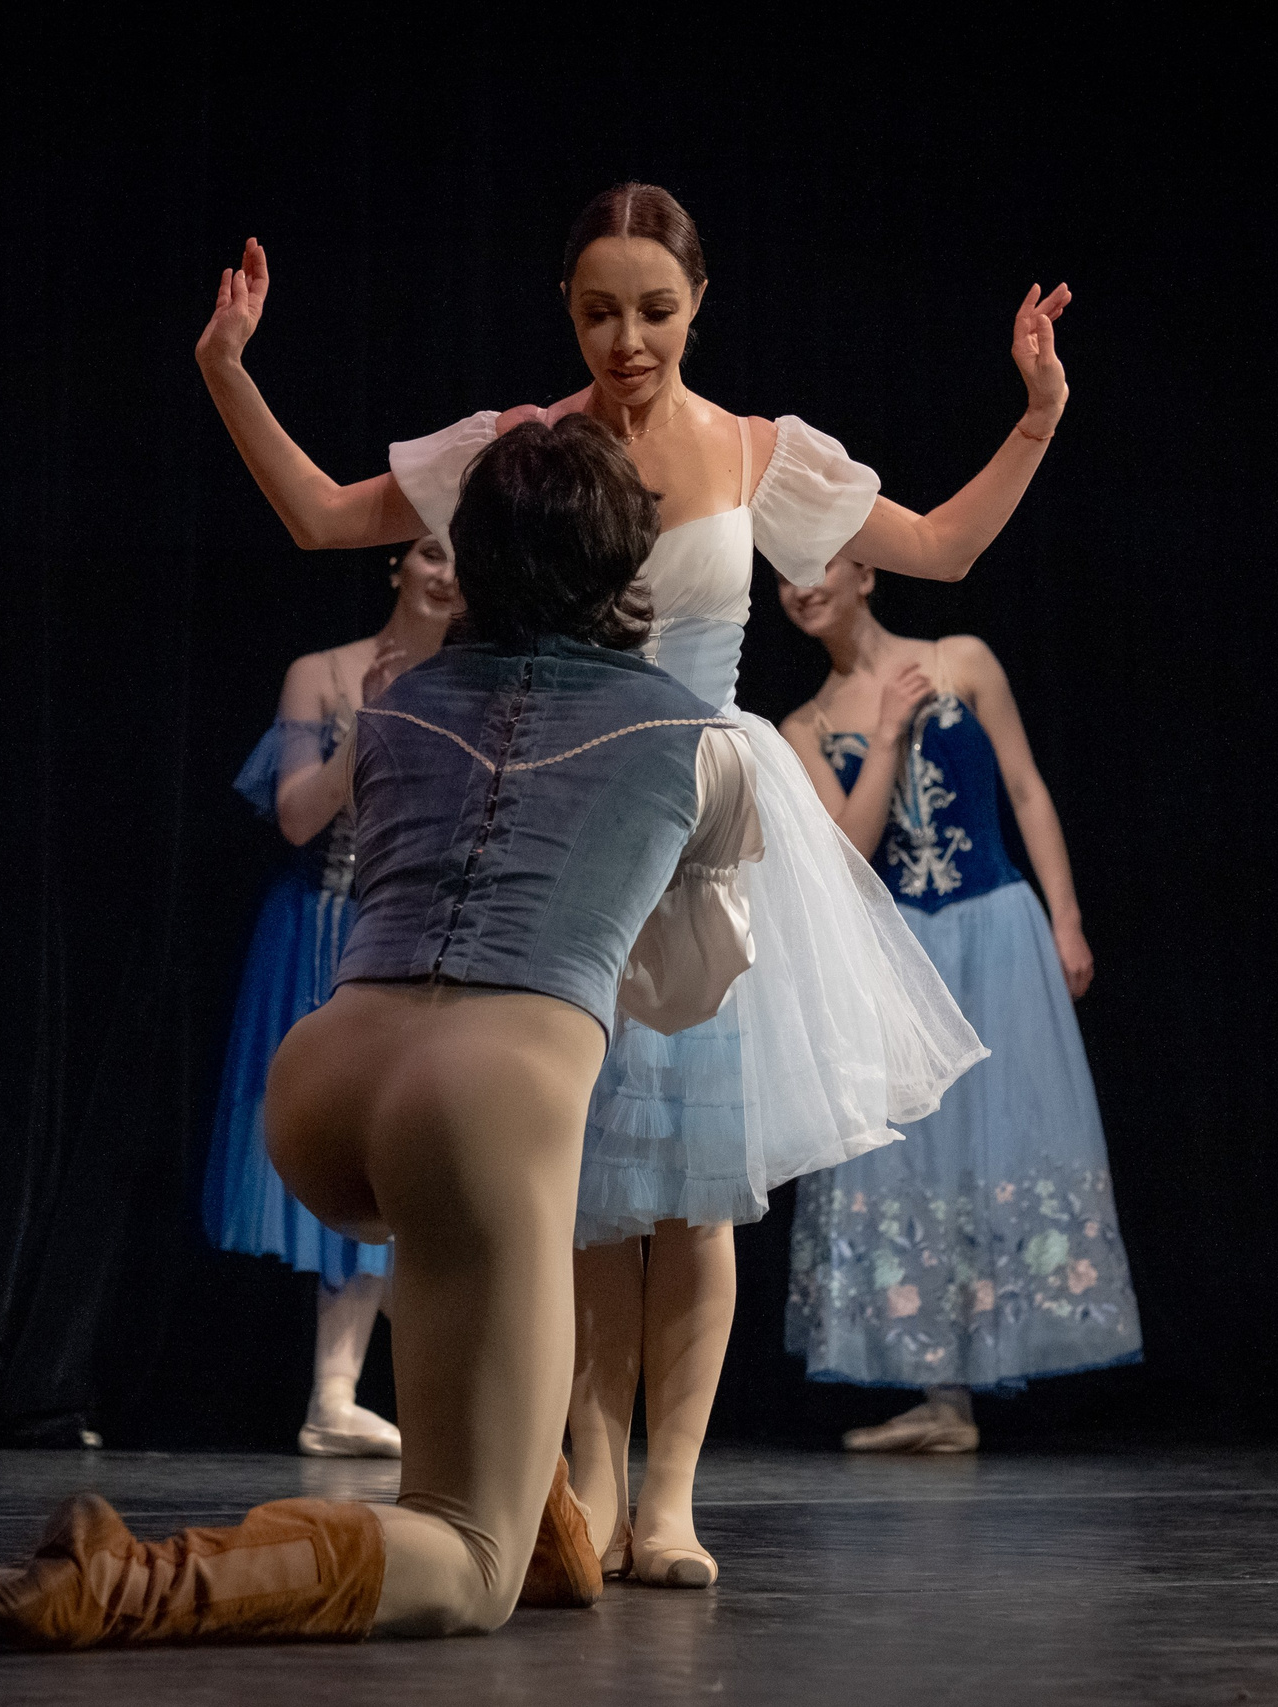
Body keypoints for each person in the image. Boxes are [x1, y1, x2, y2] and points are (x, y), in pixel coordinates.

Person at [190, 181, 1068, 1584]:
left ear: (699, 302)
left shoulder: (757, 453)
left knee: (696, 1186)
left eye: (654, 309)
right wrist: (228, 369)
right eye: (600, 310)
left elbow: (943, 547)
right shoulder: (519, 449)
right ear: (567, 309)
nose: (628, 337)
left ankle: (671, 1497)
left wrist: (1034, 413)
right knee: (584, 1179)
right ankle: (586, 1484)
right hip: (558, 806)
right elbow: (319, 516)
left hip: (703, 805)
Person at [0, 414, 762, 1647]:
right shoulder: (704, 747)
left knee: (530, 1531)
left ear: (466, 561)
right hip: (482, 1104)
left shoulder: (395, 706)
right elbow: (682, 990)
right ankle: (134, 1581)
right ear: (633, 567)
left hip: (322, 1076)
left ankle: (540, 1518)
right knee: (467, 1564)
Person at [775, 555, 1141, 1450]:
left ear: (864, 570)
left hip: (995, 928)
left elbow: (1025, 788)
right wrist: (889, 732)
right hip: (897, 948)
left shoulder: (961, 659)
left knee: (1001, 1129)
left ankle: (978, 1377)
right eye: (781, 576)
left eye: (816, 564)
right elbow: (848, 860)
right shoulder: (804, 726)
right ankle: (943, 1397)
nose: (800, 586)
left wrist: (1066, 917)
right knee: (912, 1150)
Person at [205, 536, 460, 1457]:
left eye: (468, 555)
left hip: (423, 936)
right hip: (327, 930)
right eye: (432, 550)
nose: (448, 571)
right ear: (397, 564)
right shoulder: (323, 673)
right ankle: (334, 1392)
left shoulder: (474, 683)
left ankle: (373, 1390)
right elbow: (298, 813)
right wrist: (373, 723)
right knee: (356, 1162)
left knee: (423, 1168)